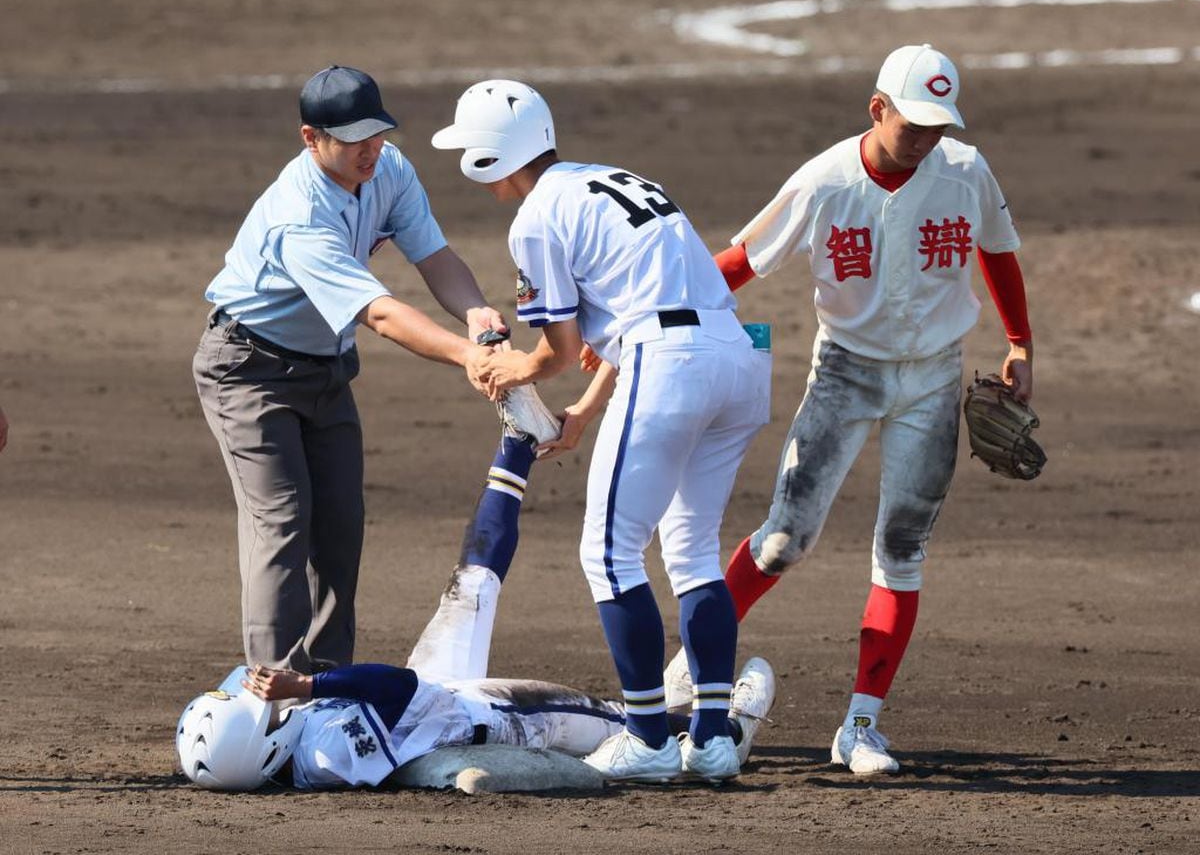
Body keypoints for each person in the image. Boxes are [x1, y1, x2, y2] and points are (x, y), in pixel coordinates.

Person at [663, 44, 1034, 775]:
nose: (927, 138)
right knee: (783, 542)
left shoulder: (965, 170)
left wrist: (1021, 343)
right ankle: (693, 660)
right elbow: (740, 261)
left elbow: (998, 251)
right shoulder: (825, 182)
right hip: (845, 375)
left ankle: (861, 725)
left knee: (902, 549)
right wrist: (661, 314)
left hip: (933, 378)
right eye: (914, 123)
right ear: (878, 108)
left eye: (939, 125)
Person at [430, 81, 772, 783]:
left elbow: (556, 346)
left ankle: (648, 737)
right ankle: (708, 739)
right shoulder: (617, 181)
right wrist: (583, 410)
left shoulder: (534, 218)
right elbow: (650, 314)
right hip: (739, 361)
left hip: (669, 364)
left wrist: (513, 368)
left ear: (492, 156)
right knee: (692, 549)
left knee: (609, 552)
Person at [177, 432, 777, 791]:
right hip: (495, 715)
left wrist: (289, 695)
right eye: (260, 713)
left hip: (434, 699)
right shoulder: (324, 756)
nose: (261, 699)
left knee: (473, 579)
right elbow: (396, 685)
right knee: (636, 727)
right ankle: (727, 725)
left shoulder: (263, 757)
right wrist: (308, 684)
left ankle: (516, 444)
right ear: (263, 747)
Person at [192, 65, 507, 676]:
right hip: (249, 371)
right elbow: (380, 314)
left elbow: (434, 256)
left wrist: (477, 314)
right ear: (312, 138)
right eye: (353, 137)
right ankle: (273, 695)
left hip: (327, 369)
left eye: (378, 132)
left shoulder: (389, 168)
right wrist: (468, 356)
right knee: (281, 521)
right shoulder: (299, 215)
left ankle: (326, 687)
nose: (371, 148)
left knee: (340, 527)